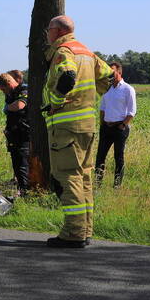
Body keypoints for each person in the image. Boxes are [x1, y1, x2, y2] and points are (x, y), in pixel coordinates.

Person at [42, 15, 112, 248]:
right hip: (87, 126)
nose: (47, 34)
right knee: (84, 178)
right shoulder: (87, 52)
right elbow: (110, 76)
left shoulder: (64, 51)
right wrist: (89, 97)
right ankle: (85, 230)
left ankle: (73, 232)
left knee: (68, 176)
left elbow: (67, 76)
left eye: (49, 29)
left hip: (66, 128)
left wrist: (56, 103)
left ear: (58, 31)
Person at [95, 61, 137, 188]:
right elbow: (102, 108)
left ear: (119, 72)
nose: (109, 74)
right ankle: (97, 183)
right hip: (106, 127)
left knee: (118, 157)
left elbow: (132, 111)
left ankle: (117, 185)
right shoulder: (107, 89)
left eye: (112, 71)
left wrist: (123, 125)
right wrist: (102, 124)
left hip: (120, 128)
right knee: (100, 156)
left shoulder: (128, 89)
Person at [0, 72, 30, 197]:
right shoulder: (10, 93)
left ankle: (25, 192)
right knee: (16, 163)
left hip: (23, 133)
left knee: (23, 164)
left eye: (3, 89)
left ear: (9, 84)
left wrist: (7, 107)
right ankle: (20, 188)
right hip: (13, 133)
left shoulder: (24, 90)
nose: (4, 92)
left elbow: (19, 105)